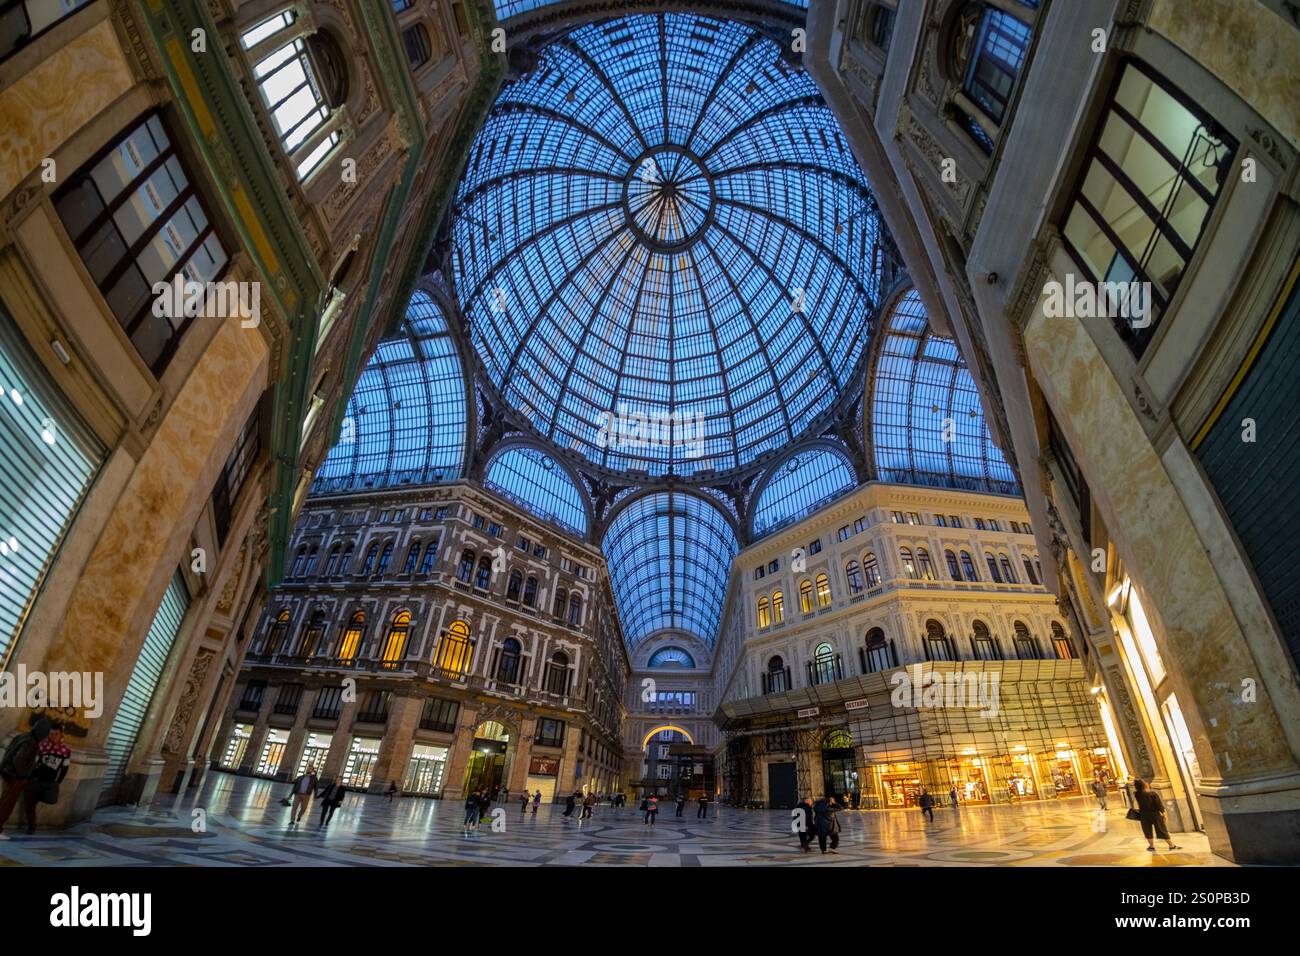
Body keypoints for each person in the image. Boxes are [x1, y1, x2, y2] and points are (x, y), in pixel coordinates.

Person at [0, 717, 51, 839]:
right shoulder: (31, 742)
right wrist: (23, 776)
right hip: (15, 778)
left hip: (7, 773)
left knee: (4, 802)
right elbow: (19, 760)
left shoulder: (23, 736)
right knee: (7, 804)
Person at [21, 721, 70, 835]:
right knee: (29, 805)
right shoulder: (41, 746)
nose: (53, 736)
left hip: (49, 783)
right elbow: (33, 762)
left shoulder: (65, 751)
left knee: (51, 800)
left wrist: (58, 782)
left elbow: (64, 768)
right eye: (51, 734)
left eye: (56, 734)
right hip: (35, 781)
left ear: (61, 734)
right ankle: (31, 827)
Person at [1133, 779, 1181, 852]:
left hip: (1144, 815)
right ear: (1144, 785)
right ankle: (1171, 845)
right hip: (1155, 814)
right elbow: (1159, 805)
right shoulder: (1153, 794)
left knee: (1147, 830)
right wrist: (1164, 814)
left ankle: (1151, 846)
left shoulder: (1137, 794)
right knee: (1162, 830)